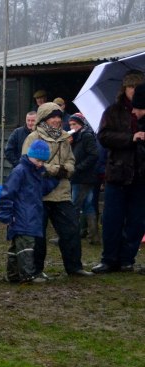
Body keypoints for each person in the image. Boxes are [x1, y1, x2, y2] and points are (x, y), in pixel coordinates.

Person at [21, 102, 93, 278]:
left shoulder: (64, 138)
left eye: (59, 116)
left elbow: (71, 160)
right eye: (52, 117)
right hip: (39, 193)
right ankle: (36, 270)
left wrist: (66, 169)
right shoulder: (33, 138)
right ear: (43, 118)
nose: (56, 120)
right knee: (38, 234)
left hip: (61, 192)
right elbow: (28, 162)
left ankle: (74, 267)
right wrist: (56, 170)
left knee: (71, 230)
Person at [93, 76, 145, 274]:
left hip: (140, 173)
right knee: (112, 219)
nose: (133, 90)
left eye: (137, 87)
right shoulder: (113, 111)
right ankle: (109, 259)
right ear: (124, 88)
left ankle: (127, 259)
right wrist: (130, 138)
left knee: (136, 220)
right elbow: (103, 136)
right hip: (117, 172)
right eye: (131, 86)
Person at [0, 140, 52, 283]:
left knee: (17, 247)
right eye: (38, 160)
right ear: (30, 156)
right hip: (21, 216)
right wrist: (6, 214)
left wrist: (54, 180)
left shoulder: (37, 173)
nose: (40, 163)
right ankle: (27, 275)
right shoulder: (20, 171)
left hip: (29, 215)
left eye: (43, 161)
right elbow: (7, 193)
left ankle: (13, 274)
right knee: (26, 246)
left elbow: (43, 189)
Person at [67, 113, 101, 246]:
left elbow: (94, 155)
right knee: (88, 205)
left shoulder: (86, 136)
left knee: (74, 206)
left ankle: (69, 235)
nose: (72, 127)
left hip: (83, 177)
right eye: (70, 124)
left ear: (81, 124)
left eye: (74, 124)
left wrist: (79, 168)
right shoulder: (76, 137)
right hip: (80, 176)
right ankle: (94, 236)